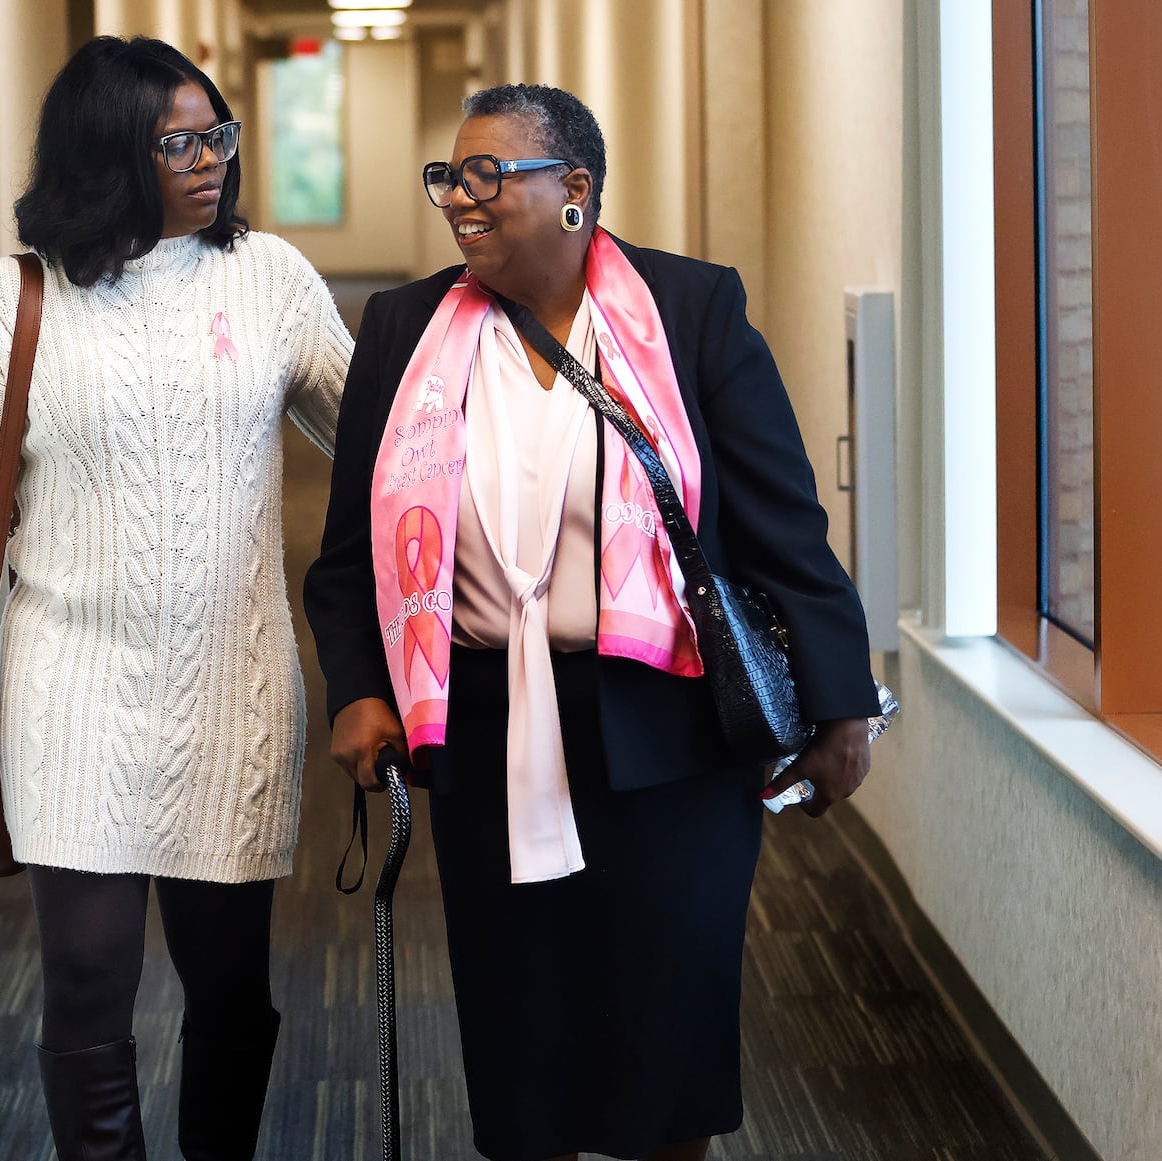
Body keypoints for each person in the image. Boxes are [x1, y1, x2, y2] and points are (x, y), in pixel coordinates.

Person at [303, 84, 877, 1161]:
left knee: (669, 1032)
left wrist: (840, 705)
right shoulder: (400, 329)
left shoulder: (690, 309)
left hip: (669, 733)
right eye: (448, 177)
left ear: (576, 189)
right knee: (523, 1040)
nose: (460, 200)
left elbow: (779, 525)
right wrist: (357, 688)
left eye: (488, 175)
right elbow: (346, 556)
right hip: (478, 729)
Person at [0, 36, 350, 1161]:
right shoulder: (6, 303)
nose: (211, 160)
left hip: (230, 693)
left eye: (220, 136)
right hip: (74, 693)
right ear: (107, 154)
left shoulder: (269, 281)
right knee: (88, 986)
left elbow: (380, 442)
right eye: (180, 142)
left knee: (231, 990)